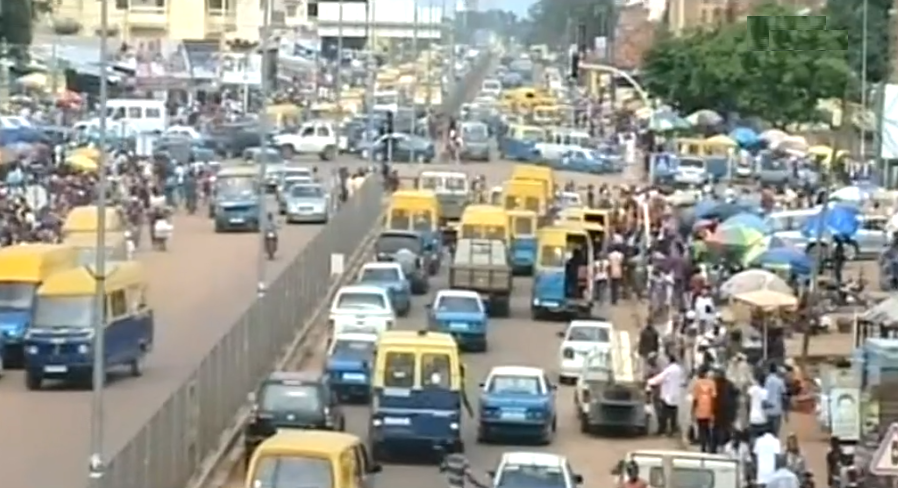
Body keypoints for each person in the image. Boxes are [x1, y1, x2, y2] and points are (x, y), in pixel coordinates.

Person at [647, 353, 684, 436]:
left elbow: (659, 378)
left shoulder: (668, 370)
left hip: (667, 395)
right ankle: (673, 429)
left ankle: (663, 429)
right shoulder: (679, 369)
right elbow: (682, 381)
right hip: (675, 394)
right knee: (674, 413)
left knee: (664, 413)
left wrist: (649, 382)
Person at [692, 366, 718, 453]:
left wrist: (693, 410)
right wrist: (713, 410)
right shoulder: (712, 383)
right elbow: (714, 397)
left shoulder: (697, 383)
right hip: (709, 407)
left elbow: (695, 399)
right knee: (708, 428)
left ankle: (703, 446)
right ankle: (710, 445)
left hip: (700, 408)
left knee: (701, 428)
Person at [764, 363, 787, 436]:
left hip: (767, 409)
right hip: (777, 409)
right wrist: (786, 412)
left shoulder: (765, 380)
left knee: (767, 432)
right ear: (776, 370)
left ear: (769, 370)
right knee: (776, 433)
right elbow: (784, 394)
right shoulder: (780, 381)